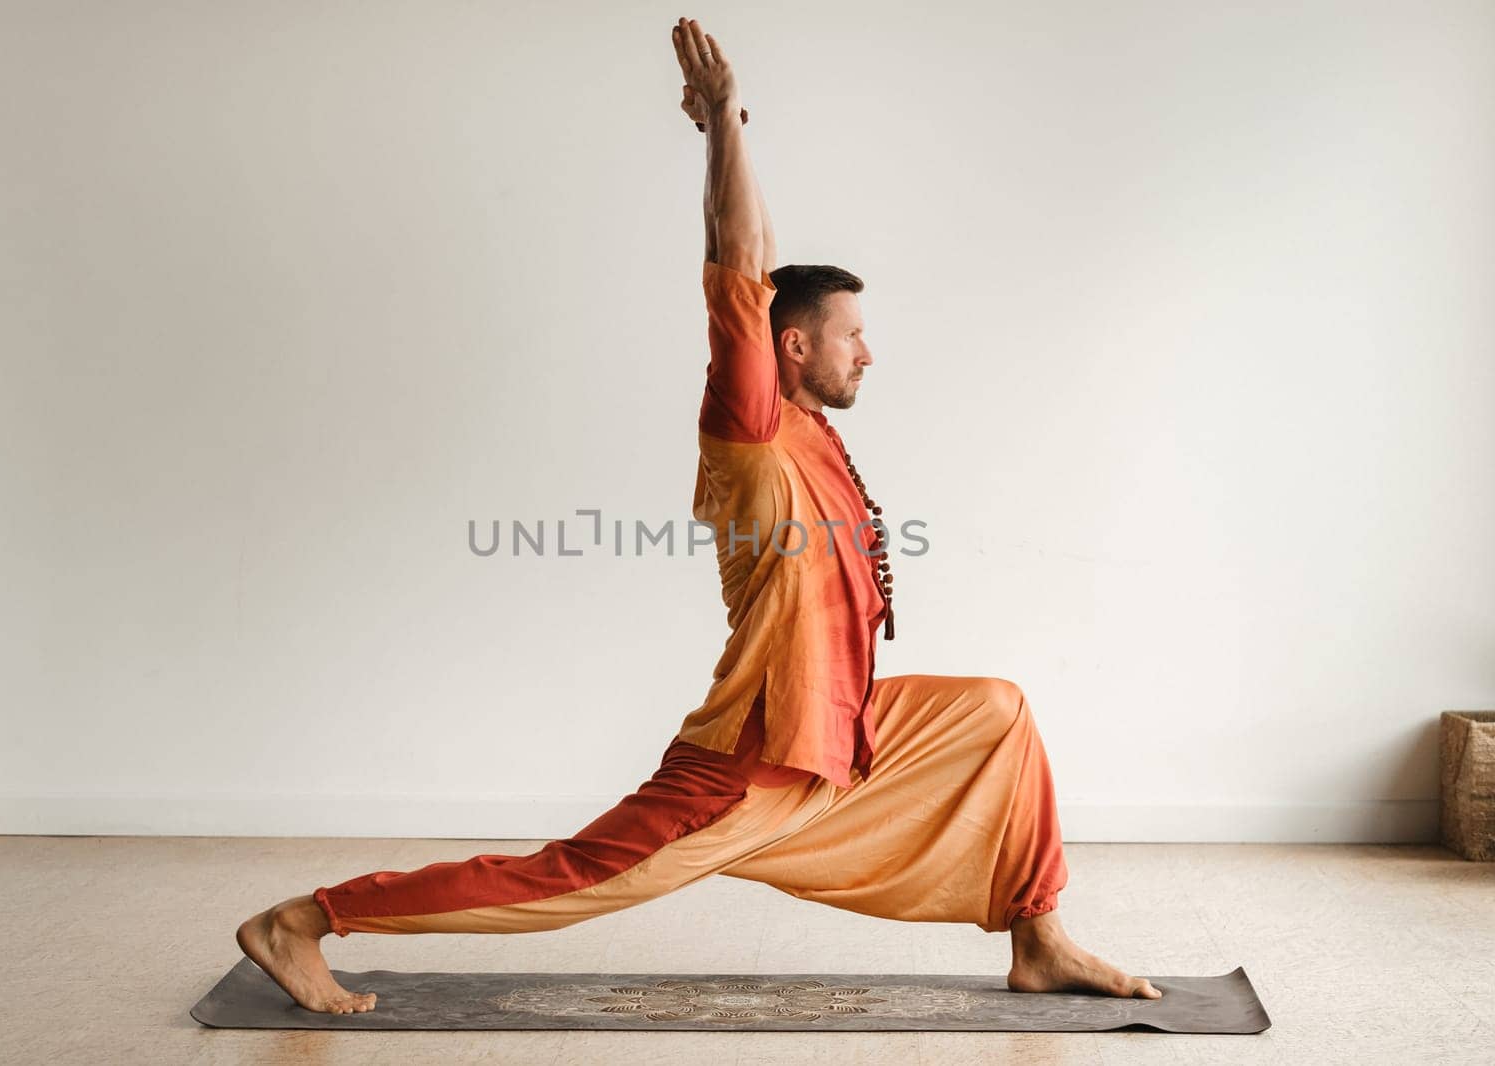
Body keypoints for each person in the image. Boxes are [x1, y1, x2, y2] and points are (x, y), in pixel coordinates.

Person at [235, 16, 1163, 1014]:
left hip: (841, 730)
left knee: (997, 712)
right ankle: (304, 918)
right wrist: (723, 124)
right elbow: (738, 256)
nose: (869, 353)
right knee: (566, 878)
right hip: (753, 756)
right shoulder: (749, 425)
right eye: (851, 335)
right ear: (791, 345)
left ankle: (1039, 938)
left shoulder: (815, 437)